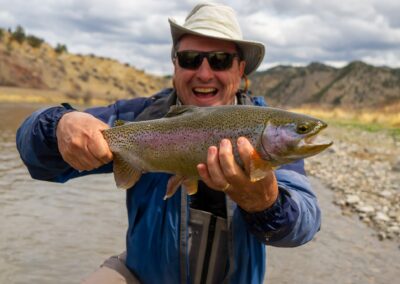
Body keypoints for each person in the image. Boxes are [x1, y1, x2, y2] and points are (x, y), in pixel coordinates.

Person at [16, 3, 320, 284]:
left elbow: (304, 225)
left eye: (220, 60)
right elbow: (36, 158)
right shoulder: (140, 117)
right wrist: (59, 124)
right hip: (141, 276)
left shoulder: (265, 129)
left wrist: (266, 204)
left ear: (240, 69)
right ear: (175, 64)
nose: (204, 73)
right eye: (190, 59)